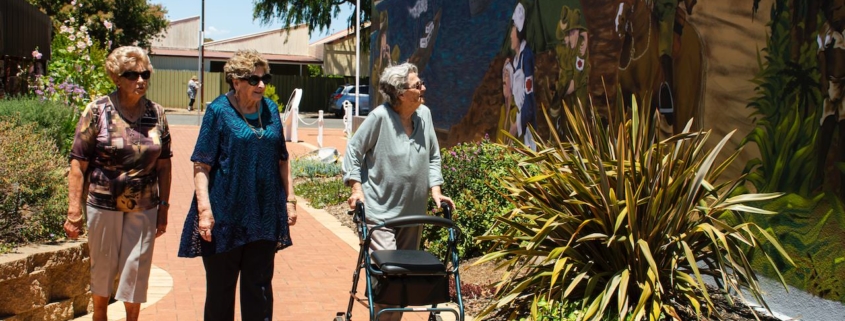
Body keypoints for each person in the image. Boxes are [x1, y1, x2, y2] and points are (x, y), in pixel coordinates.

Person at [177, 49, 297, 321]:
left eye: (264, 78)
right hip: (225, 215)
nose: (261, 85)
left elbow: (282, 158)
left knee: (260, 290)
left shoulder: (269, 110)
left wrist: (290, 200)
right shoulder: (218, 111)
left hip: (264, 215)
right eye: (253, 80)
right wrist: (204, 212)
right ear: (235, 81)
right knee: (221, 294)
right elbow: (201, 165)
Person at [63, 45, 172, 321]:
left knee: (136, 269)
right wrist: (73, 211)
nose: (140, 80)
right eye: (132, 74)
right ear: (116, 77)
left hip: (144, 205)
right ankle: (100, 316)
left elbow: (164, 163)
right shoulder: (98, 110)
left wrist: (164, 207)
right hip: (102, 203)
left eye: (145, 73)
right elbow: (78, 163)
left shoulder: (157, 114)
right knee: (103, 269)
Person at [342, 62, 455, 321]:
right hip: (380, 214)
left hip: (413, 215)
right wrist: (356, 188)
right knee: (391, 279)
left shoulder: (424, 115)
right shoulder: (380, 118)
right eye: (418, 85)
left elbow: (434, 157)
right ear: (401, 93)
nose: (424, 88)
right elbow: (353, 151)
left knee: (405, 281)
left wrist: (435, 190)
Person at [506, 2, 537, 150]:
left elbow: (529, 98)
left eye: (513, 33)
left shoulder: (527, 57)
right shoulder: (516, 60)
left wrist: (517, 124)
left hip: (527, 128)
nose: (511, 37)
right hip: (518, 124)